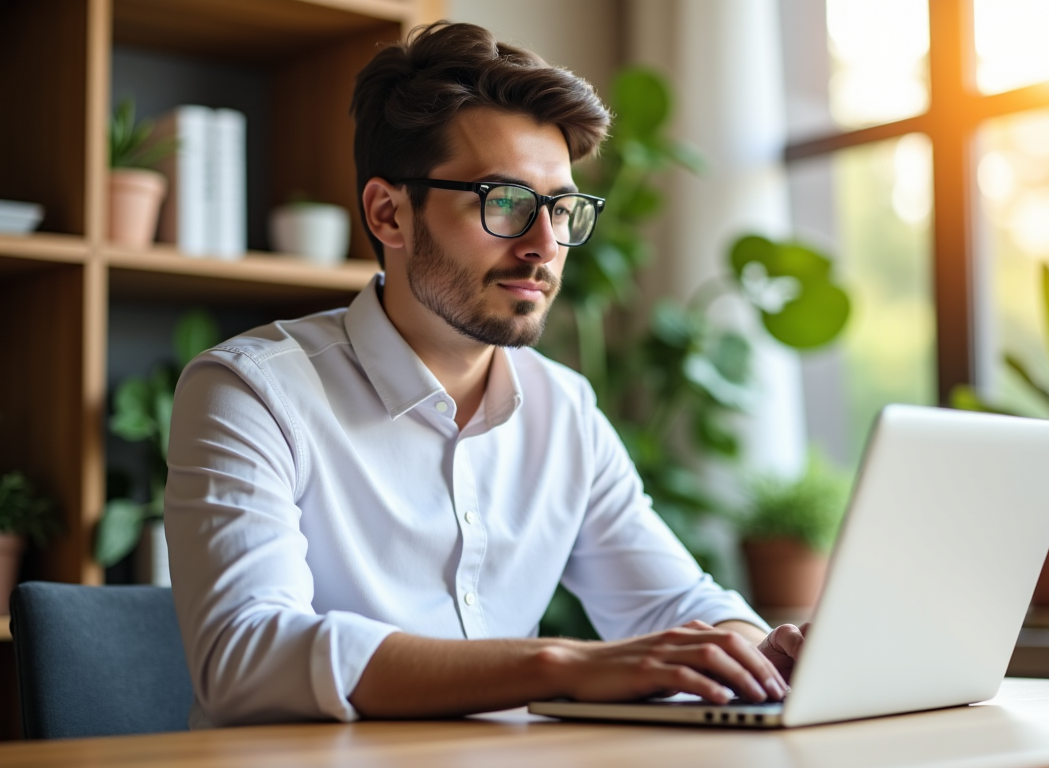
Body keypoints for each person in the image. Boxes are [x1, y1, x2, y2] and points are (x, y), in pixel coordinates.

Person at [164, 21, 806, 728]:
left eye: (562, 209)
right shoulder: (252, 393)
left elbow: (678, 605)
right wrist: (556, 668)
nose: (545, 245)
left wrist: (763, 651)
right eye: (504, 201)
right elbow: (247, 656)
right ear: (389, 213)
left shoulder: (564, 408)